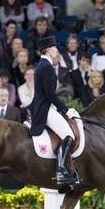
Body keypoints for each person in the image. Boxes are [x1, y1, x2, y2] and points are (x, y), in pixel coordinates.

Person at [29, 36, 79, 186]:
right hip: (45, 108)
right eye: (54, 48)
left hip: (43, 105)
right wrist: (66, 110)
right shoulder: (47, 67)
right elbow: (51, 95)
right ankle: (61, 172)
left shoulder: (42, 65)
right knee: (69, 135)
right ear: (48, 50)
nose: (57, 51)